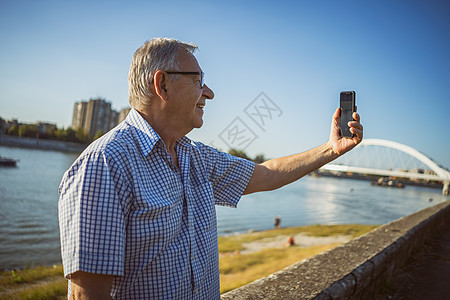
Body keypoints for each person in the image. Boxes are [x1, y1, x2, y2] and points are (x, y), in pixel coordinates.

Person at [58, 37, 363, 299]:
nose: (209, 93)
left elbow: (267, 173)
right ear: (162, 84)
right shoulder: (104, 165)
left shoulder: (195, 156)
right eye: (197, 80)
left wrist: (330, 149)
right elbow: (87, 294)